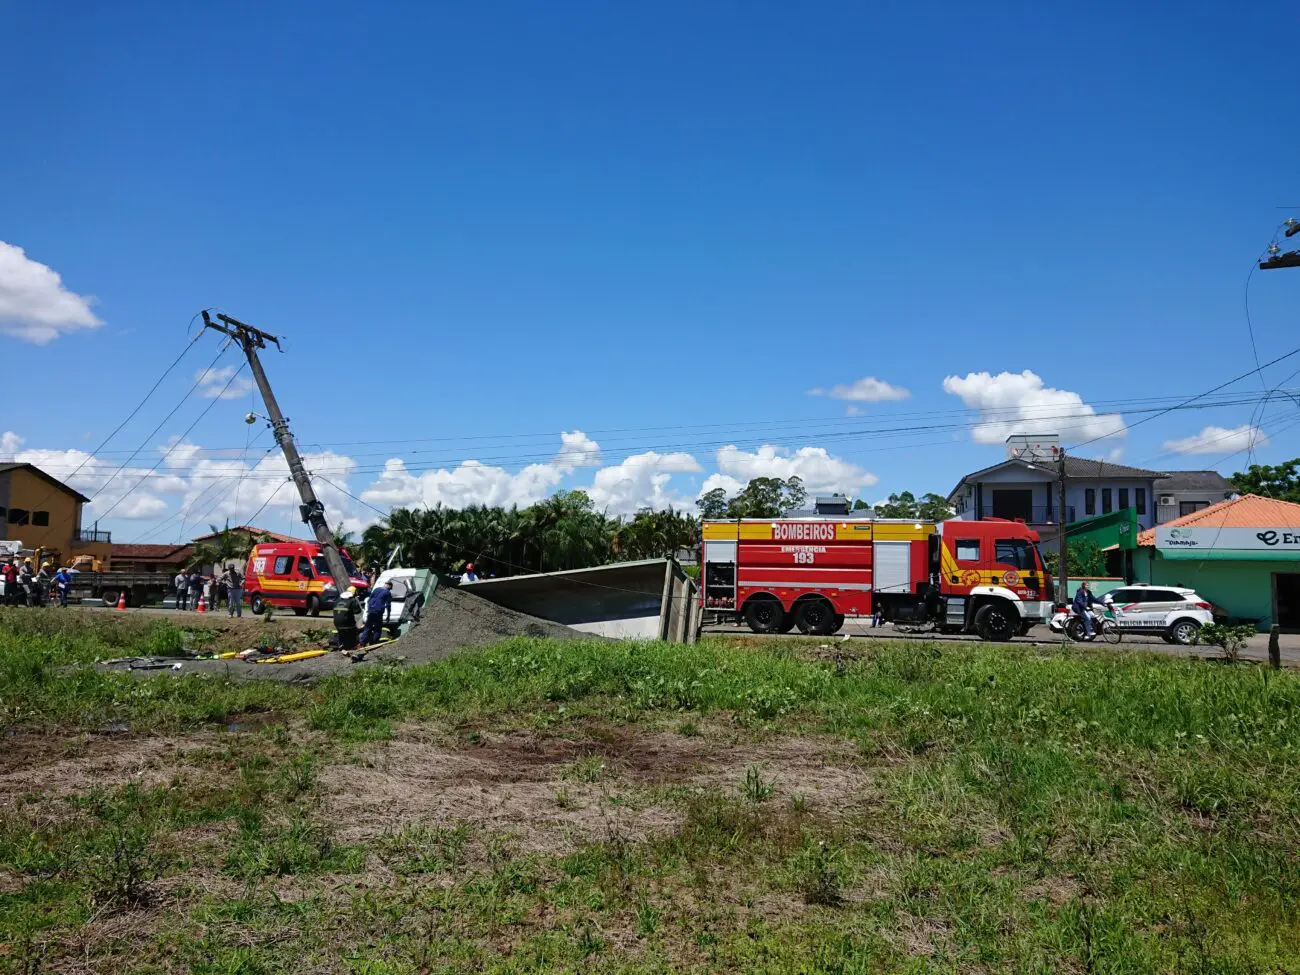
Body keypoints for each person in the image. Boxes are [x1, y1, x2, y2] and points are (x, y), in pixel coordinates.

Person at [361, 579, 393, 646]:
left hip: (371, 611)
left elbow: (369, 600)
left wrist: (369, 609)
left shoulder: (376, 589)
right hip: (378, 612)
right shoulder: (388, 593)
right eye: (390, 588)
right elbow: (388, 605)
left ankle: (362, 642)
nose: (390, 590)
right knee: (378, 628)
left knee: (368, 626)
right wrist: (388, 615)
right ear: (389, 586)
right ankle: (374, 642)